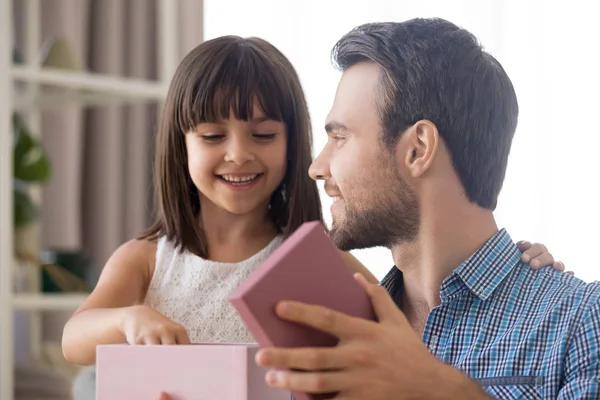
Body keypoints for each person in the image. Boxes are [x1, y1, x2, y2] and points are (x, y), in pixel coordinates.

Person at [60, 34, 562, 399]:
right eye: (213, 137)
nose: (238, 155)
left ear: (292, 141)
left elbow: (407, 334)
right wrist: (131, 319)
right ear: (180, 146)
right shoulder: (147, 260)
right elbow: (73, 339)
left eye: (263, 135)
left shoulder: (315, 261)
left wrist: (510, 269)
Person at [248, 18, 600, 399]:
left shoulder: (580, 320)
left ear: (418, 149)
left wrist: (440, 390)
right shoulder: (335, 333)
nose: (317, 167)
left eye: (340, 138)